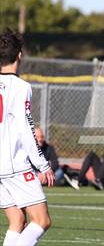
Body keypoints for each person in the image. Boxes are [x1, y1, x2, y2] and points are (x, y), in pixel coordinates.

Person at [0, 28, 55, 246]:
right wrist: (42, 165)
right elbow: (26, 128)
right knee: (42, 220)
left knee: (17, 221)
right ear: (19, 55)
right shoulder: (21, 87)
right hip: (15, 166)